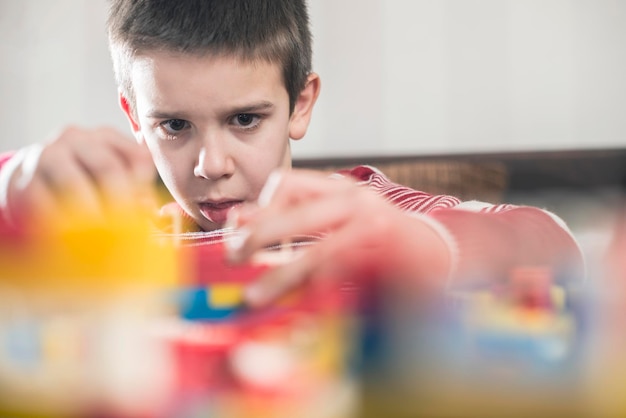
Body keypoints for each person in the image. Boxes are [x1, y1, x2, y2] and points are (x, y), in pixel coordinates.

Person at [0, 0, 584, 308]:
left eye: (245, 120)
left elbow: (553, 243)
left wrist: (422, 247)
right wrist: (13, 190)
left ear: (299, 105)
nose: (212, 164)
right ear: (135, 120)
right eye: (174, 125)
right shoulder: (97, 229)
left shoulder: (360, 212)